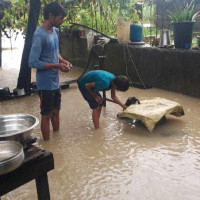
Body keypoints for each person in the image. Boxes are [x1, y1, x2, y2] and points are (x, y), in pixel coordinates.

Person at [28, 2, 72, 140]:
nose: (62, 21)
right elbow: (32, 62)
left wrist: (63, 61)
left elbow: (54, 52)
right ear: (51, 16)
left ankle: (56, 141)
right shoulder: (39, 35)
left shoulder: (55, 31)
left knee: (56, 111)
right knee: (46, 115)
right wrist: (57, 66)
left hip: (55, 81)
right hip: (45, 84)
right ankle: (48, 147)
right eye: (60, 18)